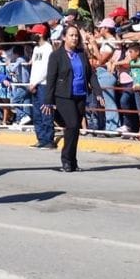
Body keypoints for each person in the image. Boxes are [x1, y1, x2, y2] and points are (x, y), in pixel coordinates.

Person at [42, 24, 95, 173]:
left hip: (80, 95)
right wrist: (48, 99)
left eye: (76, 35)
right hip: (63, 96)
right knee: (71, 125)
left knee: (75, 129)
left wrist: (98, 92)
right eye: (71, 35)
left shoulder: (81, 54)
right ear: (64, 37)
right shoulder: (56, 56)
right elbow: (51, 78)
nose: (74, 38)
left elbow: (90, 74)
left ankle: (72, 161)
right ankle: (66, 159)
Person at [25, 24, 56, 149]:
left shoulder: (48, 48)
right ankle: (41, 138)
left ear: (41, 34)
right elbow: (34, 66)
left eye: (35, 33)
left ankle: (49, 140)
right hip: (34, 84)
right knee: (36, 113)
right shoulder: (36, 48)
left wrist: (35, 82)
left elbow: (46, 69)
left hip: (43, 84)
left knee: (45, 112)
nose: (33, 35)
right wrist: (31, 82)